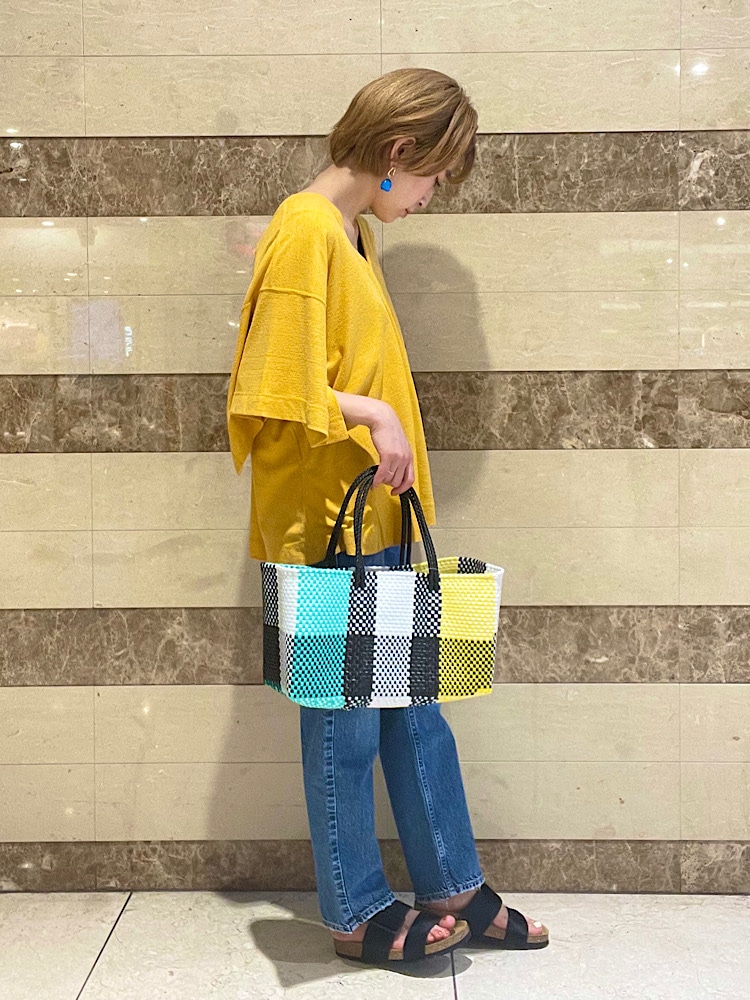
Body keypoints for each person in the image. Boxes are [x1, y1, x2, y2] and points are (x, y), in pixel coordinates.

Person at [226, 67, 549, 967]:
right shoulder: (305, 229)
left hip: (374, 515)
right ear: (399, 150)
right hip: (328, 520)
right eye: (435, 174)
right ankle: (356, 910)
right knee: (346, 724)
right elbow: (267, 385)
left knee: (413, 709)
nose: (433, 194)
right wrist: (373, 414)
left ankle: (452, 882)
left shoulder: (350, 232)